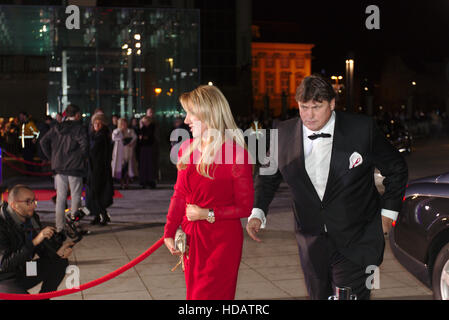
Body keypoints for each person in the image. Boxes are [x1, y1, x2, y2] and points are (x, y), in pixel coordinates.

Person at [246, 74, 408, 300]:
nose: (309, 115)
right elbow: (267, 176)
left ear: (332, 104)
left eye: (316, 107)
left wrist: (387, 215)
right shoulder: (282, 133)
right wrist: (258, 211)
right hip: (311, 241)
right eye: (304, 107)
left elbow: (396, 168)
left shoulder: (362, 129)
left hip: (357, 239)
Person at [163, 85, 254, 300]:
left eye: (190, 113)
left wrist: (207, 214)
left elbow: (245, 207)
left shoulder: (236, 154)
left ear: (209, 114)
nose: (186, 120)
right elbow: (179, 195)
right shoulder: (186, 148)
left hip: (221, 243)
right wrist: (168, 230)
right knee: (193, 296)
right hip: (192, 240)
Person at [0, 185, 74, 294]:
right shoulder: (2, 224)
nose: (33, 205)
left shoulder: (32, 217)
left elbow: (42, 250)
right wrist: (35, 241)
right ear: (14, 205)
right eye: (28, 202)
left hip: (25, 269)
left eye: (34, 201)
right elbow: (5, 264)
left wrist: (57, 252)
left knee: (59, 262)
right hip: (5, 277)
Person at [40, 104, 89, 235]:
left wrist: (52, 157)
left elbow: (43, 142)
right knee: (76, 197)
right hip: (74, 166)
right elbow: (84, 145)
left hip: (59, 167)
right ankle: (74, 225)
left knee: (61, 198)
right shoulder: (79, 128)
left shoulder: (56, 127)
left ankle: (60, 227)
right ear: (77, 115)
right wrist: (83, 157)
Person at [86, 113, 113, 226]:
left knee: (96, 192)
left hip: (100, 168)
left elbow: (93, 150)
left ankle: (103, 214)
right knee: (93, 192)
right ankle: (98, 215)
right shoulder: (95, 135)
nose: (96, 125)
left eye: (98, 123)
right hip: (95, 167)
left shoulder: (102, 136)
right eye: (94, 123)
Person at [112, 118, 138, 189]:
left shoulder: (130, 131)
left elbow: (135, 137)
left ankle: (127, 182)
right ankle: (121, 182)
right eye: (122, 123)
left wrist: (131, 142)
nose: (123, 125)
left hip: (128, 152)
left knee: (127, 168)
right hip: (119, 153)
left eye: (125, 123)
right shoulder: (116, 131)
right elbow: (114, 137)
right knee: (121, 168)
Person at [138, 116, 158, 189]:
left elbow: (148, 137)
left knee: (150, 165)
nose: (144, 123)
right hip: (143, 148)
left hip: (150, 148)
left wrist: (143, 137)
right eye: (143, 122)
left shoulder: (152, 127)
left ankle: (151, 181)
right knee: (144, 165)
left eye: (146, 121)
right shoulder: (142, 128)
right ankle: (144, 181)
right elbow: (140, 137)